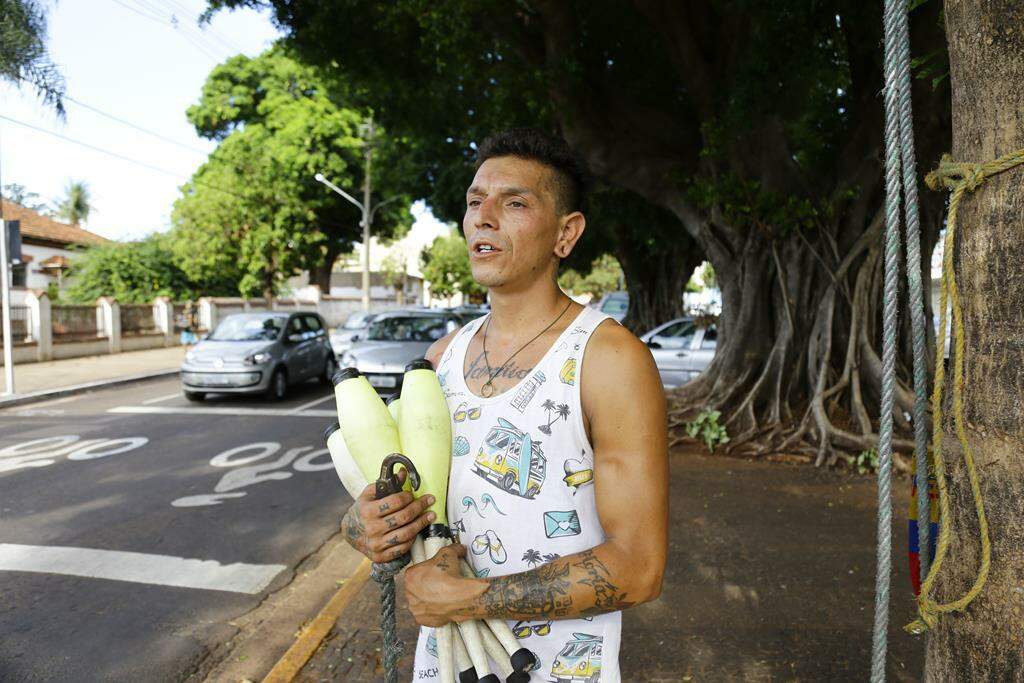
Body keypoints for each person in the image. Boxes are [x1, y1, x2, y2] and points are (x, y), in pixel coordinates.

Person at [340, 129, 668, 681]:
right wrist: (366, 526)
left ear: (567, 233)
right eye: (474, 202)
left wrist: (470, 599)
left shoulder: (609, 358)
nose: (483, 217)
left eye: (514, 202)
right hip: (444, 667)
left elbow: (639, 567)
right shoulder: (439, 360)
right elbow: (411, 519)